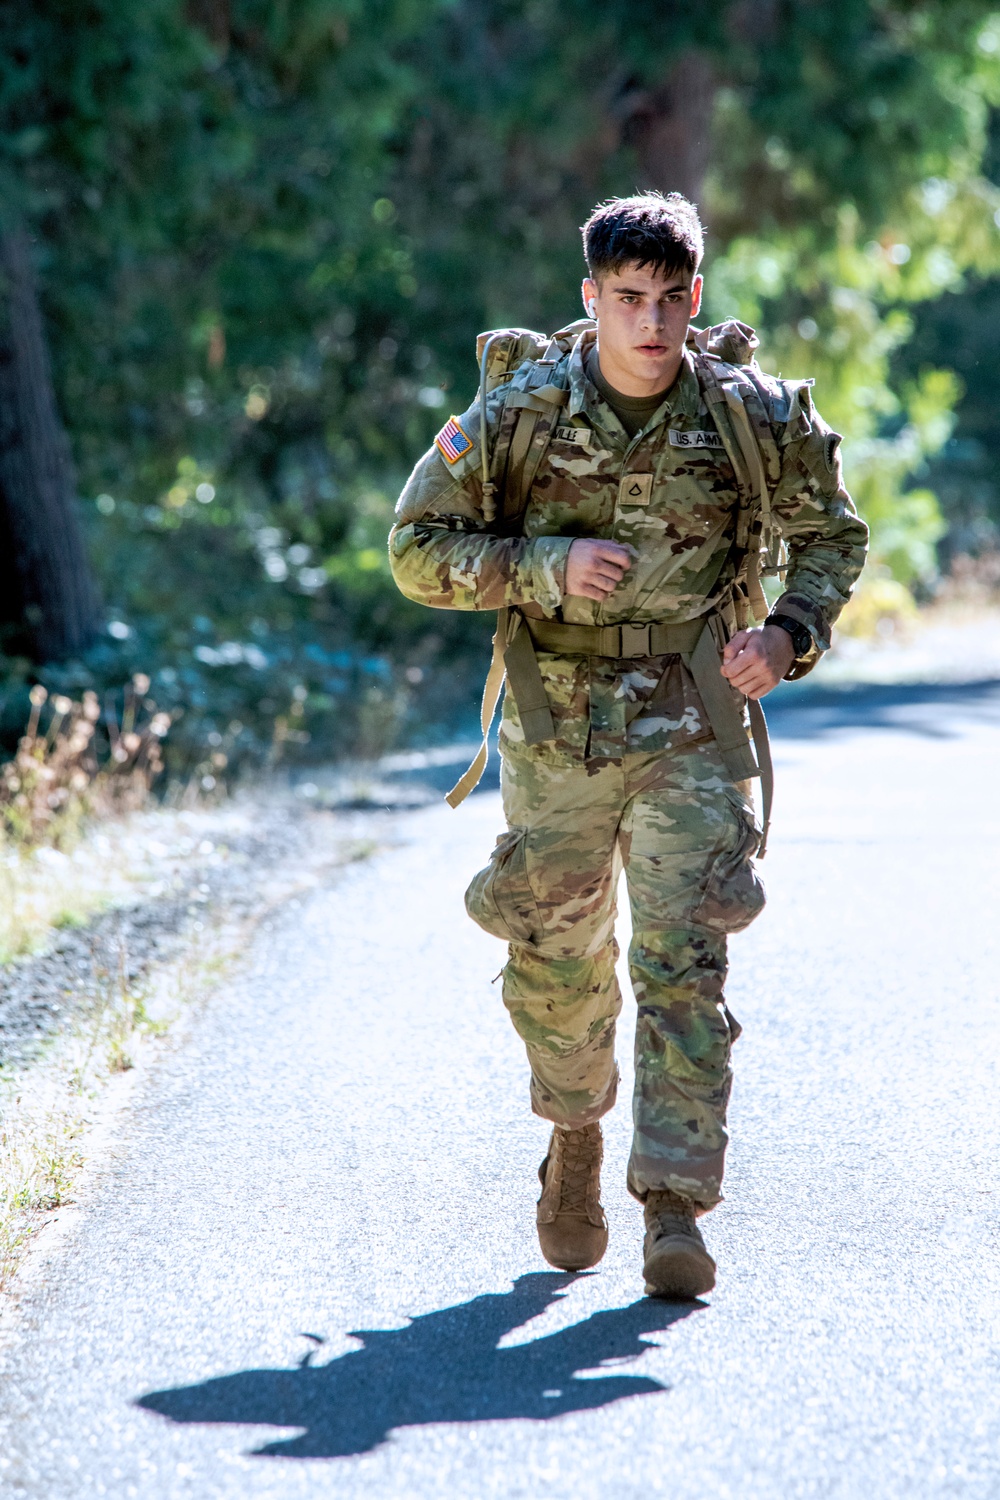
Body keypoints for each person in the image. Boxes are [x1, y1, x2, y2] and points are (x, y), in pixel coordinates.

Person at [388, 192, 867, 1297]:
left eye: (667, 300)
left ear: (694, 299)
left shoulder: (753, 414)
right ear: (591, 299)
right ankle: (574, 1133)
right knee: (557, 965)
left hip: (692, 717)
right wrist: (540, 568)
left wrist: (788, 632)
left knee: (684, 960)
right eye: (625, 299)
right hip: (555, 724)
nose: (648, 323)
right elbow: (415, 551)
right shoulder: (522, 412)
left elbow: (832, 537)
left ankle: (674, 1209)